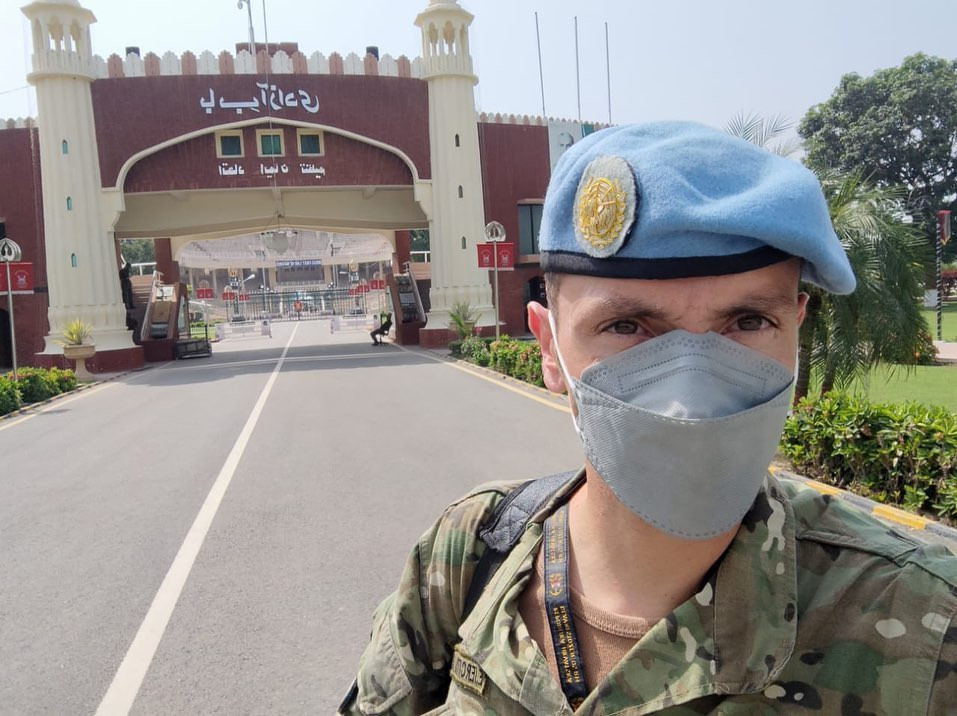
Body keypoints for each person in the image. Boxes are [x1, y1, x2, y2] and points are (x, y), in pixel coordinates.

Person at [339, 122, 957, 714]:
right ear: (550, 348)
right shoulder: (466, 557)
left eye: (746, 322)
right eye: (627, 326)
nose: (688, 395)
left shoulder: (928, 622)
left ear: (794, 333)